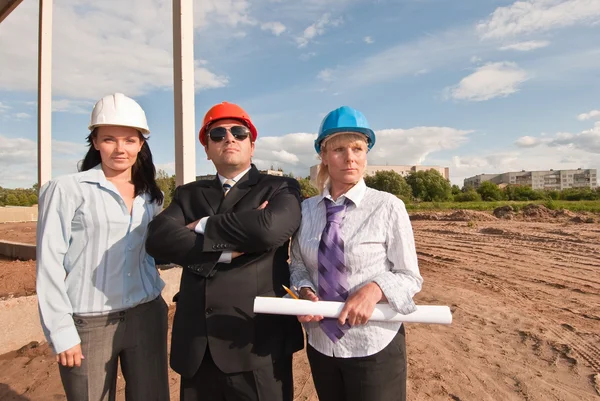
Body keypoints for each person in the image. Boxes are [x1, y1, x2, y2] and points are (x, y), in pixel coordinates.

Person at [145, 101, 304, 401]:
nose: (228, 138)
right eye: (217, 134)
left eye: (238, 132)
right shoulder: (189, 193)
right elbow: (157, 240)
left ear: (251, 145)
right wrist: (224, 252)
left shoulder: (280, 187)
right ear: (207, 149)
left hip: (256, 343)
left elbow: (268, 229)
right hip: (197, 347)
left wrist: (204, 224)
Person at [36, 93, 169, 401]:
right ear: (95, 142)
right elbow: (49, 263)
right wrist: (61, 331)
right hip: (89, 322)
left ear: (141, 144)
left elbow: (156, 250)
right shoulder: (66, 190)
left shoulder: (151, 196)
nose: (120, 149)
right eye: (109, 139)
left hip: (146, 313)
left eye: (129, 140)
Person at [289, 106, 423, 401]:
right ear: (323, 156)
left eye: (358, 148)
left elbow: (410, 277)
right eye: (339, 149)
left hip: (374, 344)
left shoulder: (388, 206)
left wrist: (375, 290)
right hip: (322, 343)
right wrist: (305, 290)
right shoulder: (306, 210)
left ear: (366, 154)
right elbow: (298, 264)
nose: (350, 157)